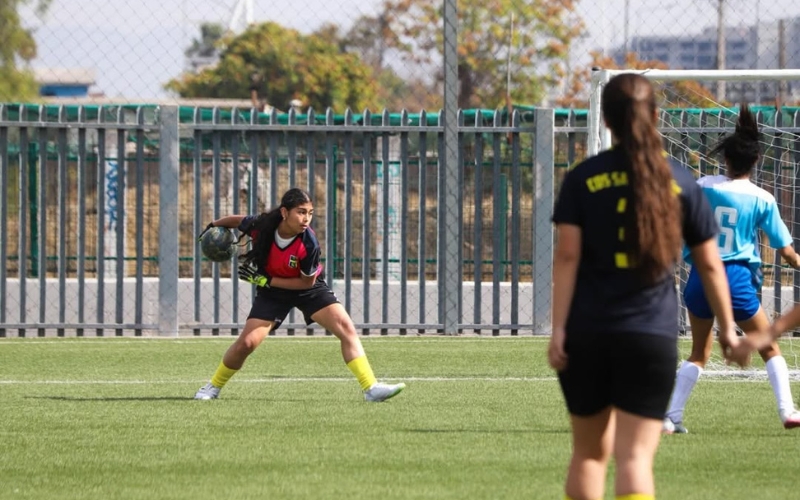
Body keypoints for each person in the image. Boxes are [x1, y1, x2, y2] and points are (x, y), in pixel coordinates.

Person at [548, 73, 744, 500]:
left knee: (588, 456)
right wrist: (727, 328)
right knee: (635, 459)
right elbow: (711, 265)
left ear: (605, 119)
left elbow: (565, 258)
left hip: (587, 334)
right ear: (656, 117)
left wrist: (558, 329)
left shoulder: (582, 179)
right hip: (649, 336)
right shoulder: (679, 180)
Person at [194, 187, 406, 403]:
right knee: (247, 343)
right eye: (301, 212)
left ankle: (371, 388)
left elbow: (306, 282)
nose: (306, 219)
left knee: (346, 328)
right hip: (273, 293)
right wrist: (213, 226)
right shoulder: (263, 225)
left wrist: (265, 280)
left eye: (310, 213)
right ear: (285, 212)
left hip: (307, 289)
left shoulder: (309, 243)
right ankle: (212, 387)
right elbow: (236, 220)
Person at [663, 103, 800, 434]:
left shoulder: (703, 186)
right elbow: (786, 251)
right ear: (756, 161)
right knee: (768, 346)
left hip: (698, 278)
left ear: (725, 160)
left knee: (699, 352)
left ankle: (670, 417)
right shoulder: (762, 198)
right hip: (735, 279)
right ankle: (788, 411)